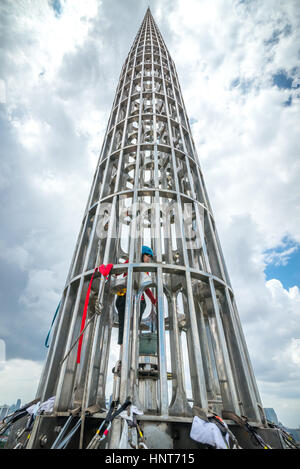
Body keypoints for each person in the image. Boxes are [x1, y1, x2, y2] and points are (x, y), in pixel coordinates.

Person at [113, 246, 157, 373]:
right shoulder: (130, 262)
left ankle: (132, 358)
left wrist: (154, 300)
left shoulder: (146, 271)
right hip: (124, 298)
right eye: (147, 256)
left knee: (134, 329)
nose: (148, 259)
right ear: (141, 254)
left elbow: (146, 287)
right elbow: (117, 273)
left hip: (139, 301)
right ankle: (122, 360)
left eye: (150, 257)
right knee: (124, 329)